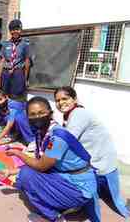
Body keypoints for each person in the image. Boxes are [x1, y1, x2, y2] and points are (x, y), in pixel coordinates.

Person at [0, 96, 97, 222]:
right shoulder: (42, 133)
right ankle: (62, 204)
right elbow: (38, 162)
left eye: (41, 113)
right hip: (66, 178)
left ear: (50, 113)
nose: (37, 117)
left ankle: (54, 217)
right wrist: (10, 172)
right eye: (32, 114)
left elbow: (41, 166)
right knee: (26, 176)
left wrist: (18, 153)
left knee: (26, 177)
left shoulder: (57, 137)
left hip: (79, 189)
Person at [54, 86, 129, 218]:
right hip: (99, 158)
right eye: (58, 100)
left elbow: (66, 141)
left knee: (56, 170)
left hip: (98, 163)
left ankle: (77, 203)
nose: (61, 103)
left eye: (65, 98)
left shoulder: (78, 114)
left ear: (75, 99)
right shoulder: (72, 114)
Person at [0, 19, 31, 102]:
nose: (15, 32)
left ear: (20, 30)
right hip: (6, 73)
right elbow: (2, 61)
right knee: (4, 96)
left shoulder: (25, 44)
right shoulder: (5, 44)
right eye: (12, 30)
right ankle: (6, 114)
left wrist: (25, 79)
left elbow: (27, 62)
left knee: (16, 97)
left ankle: (15, 114)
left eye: (17, 29)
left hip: (18, 73)